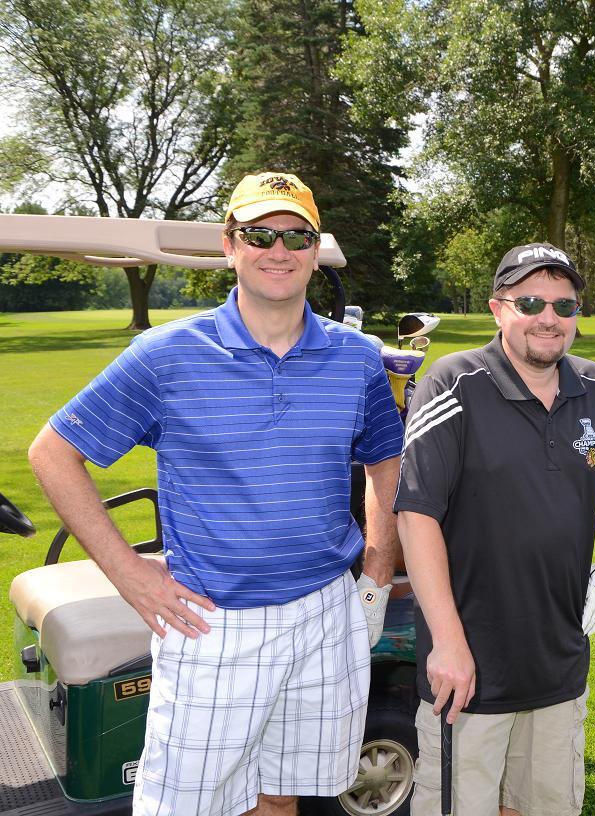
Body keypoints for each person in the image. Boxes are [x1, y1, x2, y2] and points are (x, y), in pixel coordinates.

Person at [27, 172, 404, 816]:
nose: (277, 249)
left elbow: (383, 459)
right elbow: (54, 453)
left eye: (295, 235)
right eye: (259, 233)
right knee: (184, 806)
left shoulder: (356, 357)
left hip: (325, 613)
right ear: (230, 246)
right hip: (216, 624)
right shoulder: (168, 354)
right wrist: (132, 577)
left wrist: (375, 569)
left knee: (282, 797)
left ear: (314, 249)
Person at [394, 241, 595, 816]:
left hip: (559, 664)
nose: (550, 318)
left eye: (565, 306)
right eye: (531, 301)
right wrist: (448, 643)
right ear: (497, 308)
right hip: (467, 672)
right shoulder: (453, 385)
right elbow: (415, 516)